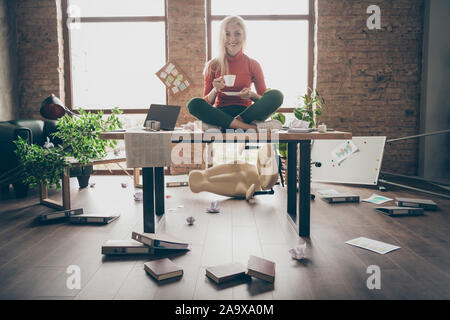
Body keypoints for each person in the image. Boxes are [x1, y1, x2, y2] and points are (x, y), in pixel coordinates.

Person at [187, 15, 284, 131]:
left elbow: (264, 99)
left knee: (276, 95)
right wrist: (215, 90)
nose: (232, 39)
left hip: (248, 114)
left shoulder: (253, 64)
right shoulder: (213, 65)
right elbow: (207, 103)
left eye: (237, 34)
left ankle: (226, 126)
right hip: (221, 113)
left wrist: (251, 95)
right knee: (193, 104)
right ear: (222, 37)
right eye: (227, 34)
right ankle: (248, 128)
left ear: (244, 36)